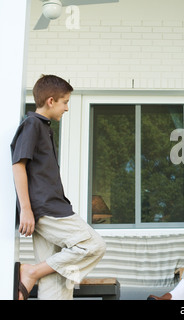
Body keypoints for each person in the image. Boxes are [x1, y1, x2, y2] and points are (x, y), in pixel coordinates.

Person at [11, 75, 106, 300]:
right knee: (93, 245)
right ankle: (31, 271)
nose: (67, 108)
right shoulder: (32, 124)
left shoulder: (44, 127)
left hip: (46, 210)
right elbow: (18, 165)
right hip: (48, 210)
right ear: (51, 101)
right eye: (65, 102)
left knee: (57, 282)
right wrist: (25, 209)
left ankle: (36, 271)